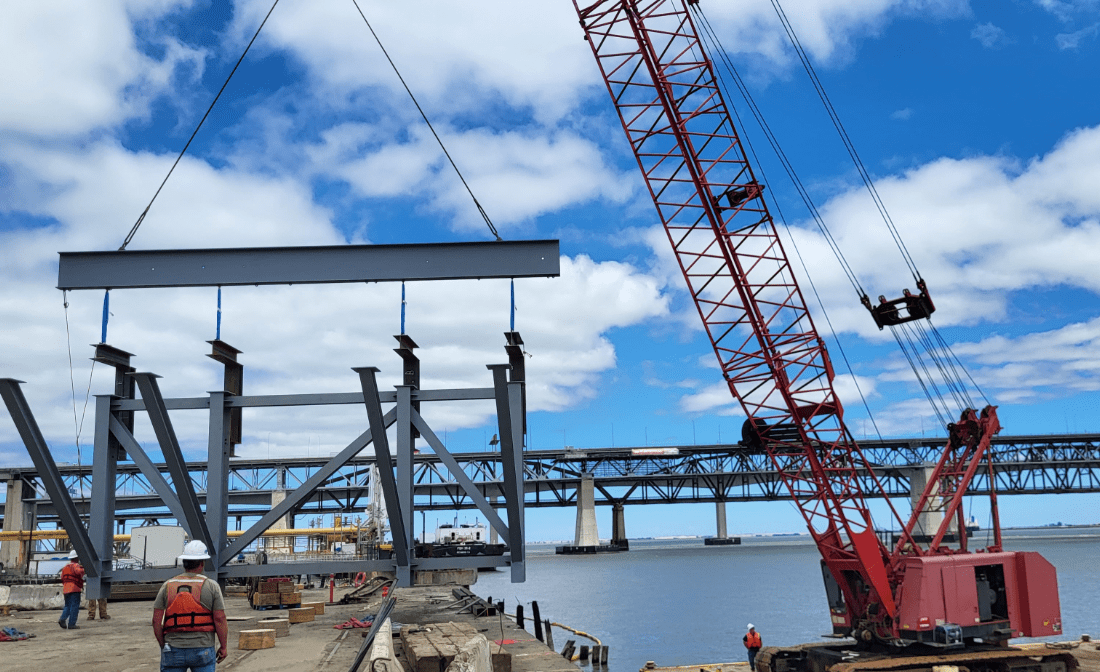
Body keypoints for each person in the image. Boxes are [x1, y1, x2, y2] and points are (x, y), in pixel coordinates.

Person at [152, 541, 228, 671]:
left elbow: (156, 620)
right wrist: (224, 646)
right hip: (203, 647)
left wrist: (163, 644)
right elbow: (219, 618)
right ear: (202, 563)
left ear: (184, 562)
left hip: (173, 647)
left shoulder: (167, 586)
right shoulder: (211, 586)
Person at [59, 549, 85, 629]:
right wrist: (85, 569)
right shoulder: (76, 565)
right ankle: (71, 624)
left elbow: (62, 578)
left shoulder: (65, 567)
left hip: (66, 589)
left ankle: (62, 619)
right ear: (77, 558)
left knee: (67, 605)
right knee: (74, 606)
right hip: (74, 589)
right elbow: (78, 572)